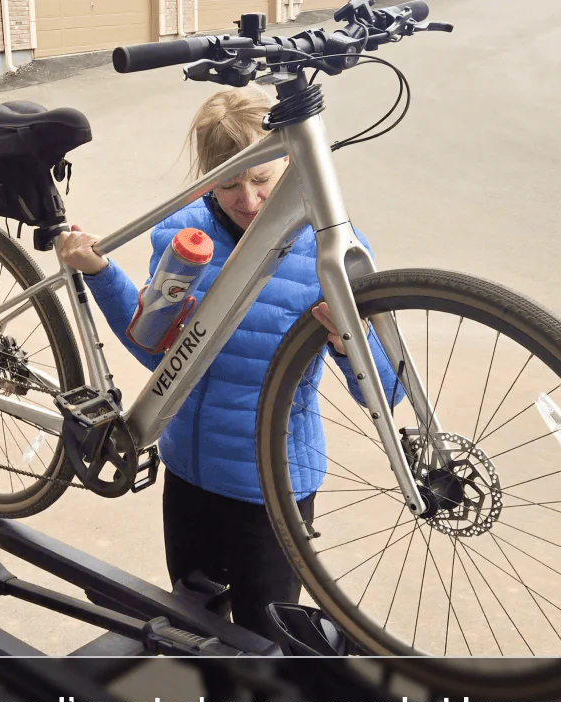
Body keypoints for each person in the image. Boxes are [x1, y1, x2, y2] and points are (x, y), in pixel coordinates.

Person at [57, 86, 403, 645]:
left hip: (275, 491)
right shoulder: (182, 235)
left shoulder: (330, 249)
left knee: (267, 644)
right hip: (190, 478)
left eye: (262, 179)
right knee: (196, 629)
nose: (248, 199)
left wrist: (351, 341)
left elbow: (384, 394)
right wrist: (101, 275)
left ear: (288, 162)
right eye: (229, 184)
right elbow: (159, 354)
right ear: (208, 179)